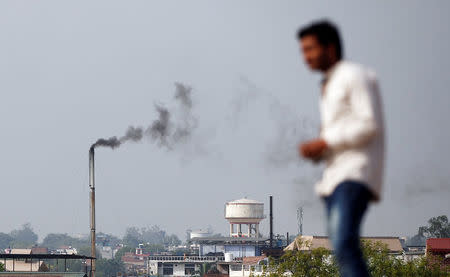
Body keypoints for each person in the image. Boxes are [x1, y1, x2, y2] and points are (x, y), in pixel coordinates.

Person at [297, 20, 385, 277]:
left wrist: (325, 143)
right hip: (335, 178)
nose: (306, 57)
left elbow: (369, 125)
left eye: (310, 49)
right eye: (303, 50)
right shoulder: (328, 85)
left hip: (354, 175)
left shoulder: (353, 76)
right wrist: (320, 151)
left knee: (345, 244)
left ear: (330, 48)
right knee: (342, 246)